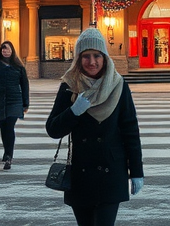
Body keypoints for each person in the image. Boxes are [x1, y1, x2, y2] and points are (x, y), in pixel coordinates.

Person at [46, 28, 144, 226]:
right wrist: (74, 111)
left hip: (112, 171)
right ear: (78, 59)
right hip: (81, 175)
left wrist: (136, 172)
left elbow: (130, 131)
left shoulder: (118, 85)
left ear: (105, 57)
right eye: (86, 56)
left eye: (97, 55)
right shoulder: (69, 85)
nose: (92, 62)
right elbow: (53, 129)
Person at [0, 40, 29, 170]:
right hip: (0, 101)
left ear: (12, 50)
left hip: (14, 100)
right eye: (3, 49)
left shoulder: (18, 66)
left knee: (9, 127)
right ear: (1, 51)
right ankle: (6, 151)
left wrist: (26, 103)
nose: (5, 51)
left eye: (8, 49)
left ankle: (9, 156)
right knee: (3, 128)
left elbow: (25, 85)